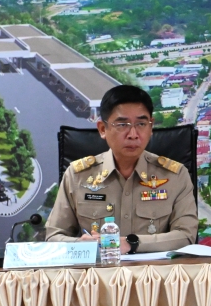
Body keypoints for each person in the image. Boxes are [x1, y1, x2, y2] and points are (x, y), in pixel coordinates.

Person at [46, 85, 198, 253]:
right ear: (102, 129)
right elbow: (53, 237)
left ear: (151, 127)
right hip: (97, 269)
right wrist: (81, 245)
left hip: (153, 269)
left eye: (141, 124)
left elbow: (186, 236)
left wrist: (132, 243)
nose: (133, 134)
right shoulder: (77, 176)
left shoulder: (176, 176)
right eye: (122, 124)